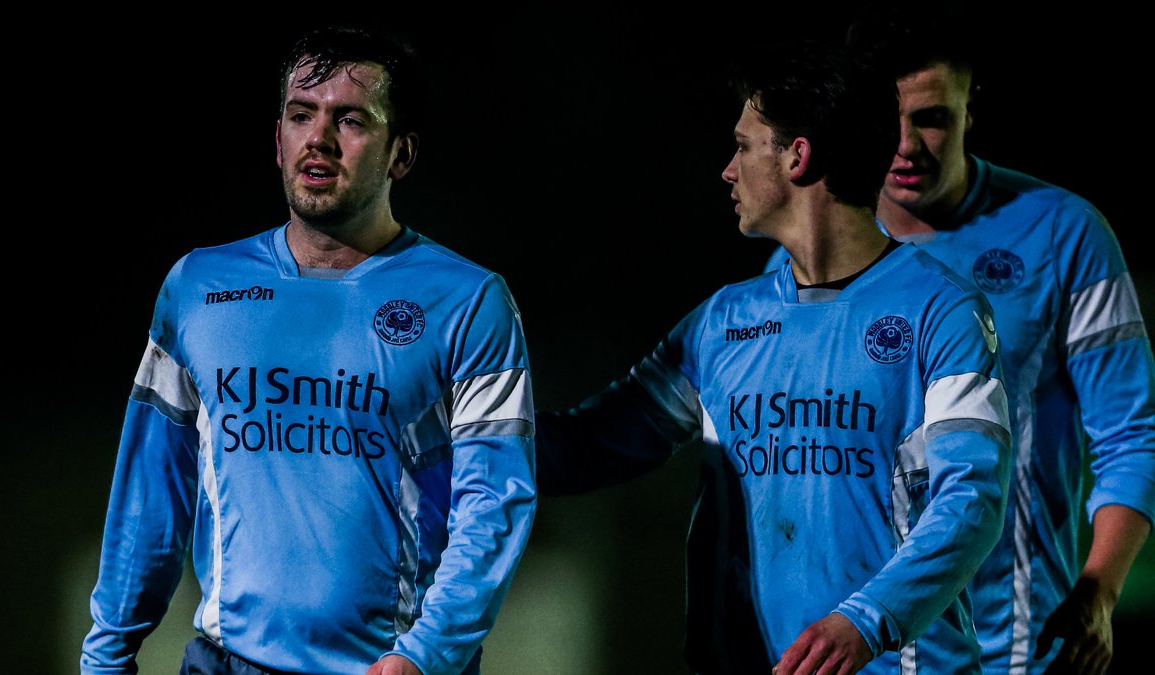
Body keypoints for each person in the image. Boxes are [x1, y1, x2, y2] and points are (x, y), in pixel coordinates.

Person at [537, 40, 1011, 673]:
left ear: (797, 155)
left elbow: (970, 501)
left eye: (741, 145)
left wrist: (865, 622)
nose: (727, 170)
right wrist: (450, 437)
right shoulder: (720, 322)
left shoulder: (943, 311)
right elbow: (592, 444)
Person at [80, 25, 537, 675]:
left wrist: (424, 654)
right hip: (225, 663)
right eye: (302, 115)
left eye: (349, 119)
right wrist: (106, 652)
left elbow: (494, 503)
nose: (318, 138)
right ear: (277, 139)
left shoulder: (470, 301)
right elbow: (149, 491)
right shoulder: (197, 287)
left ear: (401, 153)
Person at [750, 4, 1155, 673]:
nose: (907, 144)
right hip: (850, 653)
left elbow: (1131, 437)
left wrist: (1100, 591)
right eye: (891, 120)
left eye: (932, 118)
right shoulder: (799, 261)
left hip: (1019, 647)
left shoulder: (1067, 235)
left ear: (971, 110)